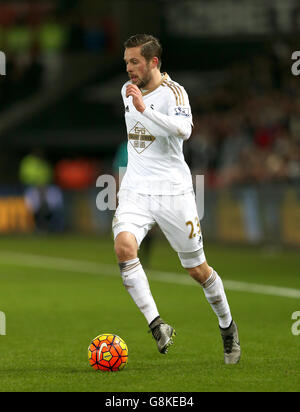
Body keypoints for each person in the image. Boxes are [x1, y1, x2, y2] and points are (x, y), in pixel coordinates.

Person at [112, 34, 241, 364]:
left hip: (174, 191)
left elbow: (185, 130)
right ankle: (157, 326)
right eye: (126, 61)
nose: (128, 68)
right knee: (124, 247)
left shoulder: (174, 93)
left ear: (153, 62)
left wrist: (145, 108)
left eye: (134, 61)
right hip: (136, 189)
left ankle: (227, 326)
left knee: (198, 270)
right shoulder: (126, 92)